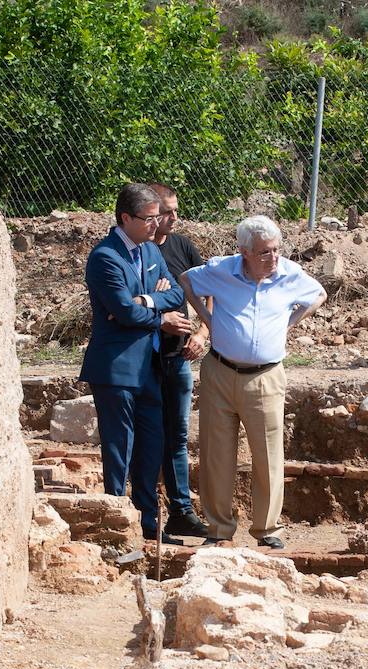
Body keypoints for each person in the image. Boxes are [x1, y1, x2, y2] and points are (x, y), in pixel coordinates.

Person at [179, 216, 325, 550]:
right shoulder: (221, 271)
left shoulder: (288, 275)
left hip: (265, 377)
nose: (272, 258)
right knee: (217, 454)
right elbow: (186, 280)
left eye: (275, 250)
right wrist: (207, 320)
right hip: (219, 372)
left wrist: (289, 323)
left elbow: (319, 294)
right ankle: (218, 528)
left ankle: (267, 528)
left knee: (268, 454)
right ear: (243, 251)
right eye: (263, 252)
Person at [80, 183, 194, 542]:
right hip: (116, 368)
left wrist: (144, 300)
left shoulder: (149, 249)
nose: (156, 224)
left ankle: (147, 524)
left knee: (151, 443)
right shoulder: (105, 257)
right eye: (149, 218)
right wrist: (157, 312)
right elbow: (121, 310)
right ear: (125, 218)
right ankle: (116, 522)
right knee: (119, 448)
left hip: (150, 365)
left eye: (158, 217)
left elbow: (176, 291)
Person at [147, 182, 211, 539]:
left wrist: (202, 333)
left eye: (174, 211)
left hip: (179, 358)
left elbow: (207, 290)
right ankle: (145, 514)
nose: (174, 218)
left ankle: (181, 510)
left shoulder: (183, 246)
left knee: (177, 436)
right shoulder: (137, 251)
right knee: (149, 436)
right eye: (167, 212)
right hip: (146, 360)